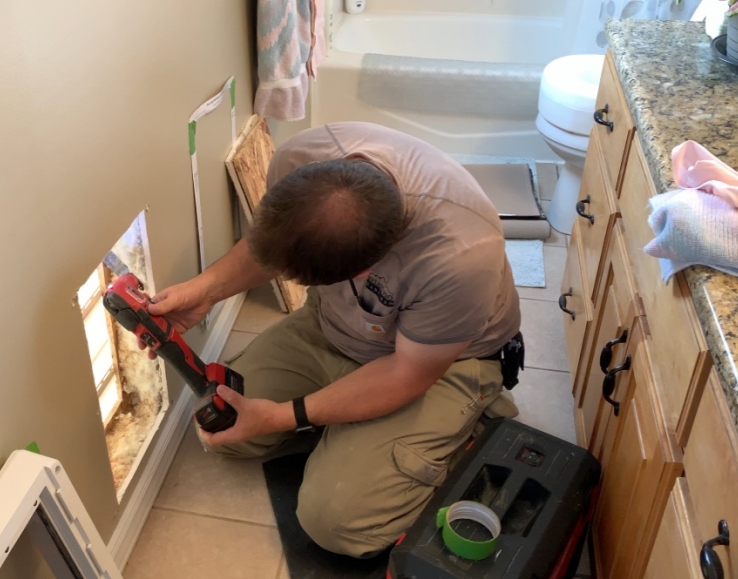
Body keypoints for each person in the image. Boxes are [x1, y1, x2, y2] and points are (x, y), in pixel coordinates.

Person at [145, 121, 522, 558]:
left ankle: (464, 422)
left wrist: (283, 416)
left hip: (439, 363)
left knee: (337, 523)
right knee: (226, 424)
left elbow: (405, 375)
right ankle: (348, 427)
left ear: (364, 273)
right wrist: (205, 291)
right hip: (336, 325)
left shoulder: (461, 254)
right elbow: (271, 248)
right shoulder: (302, 158)